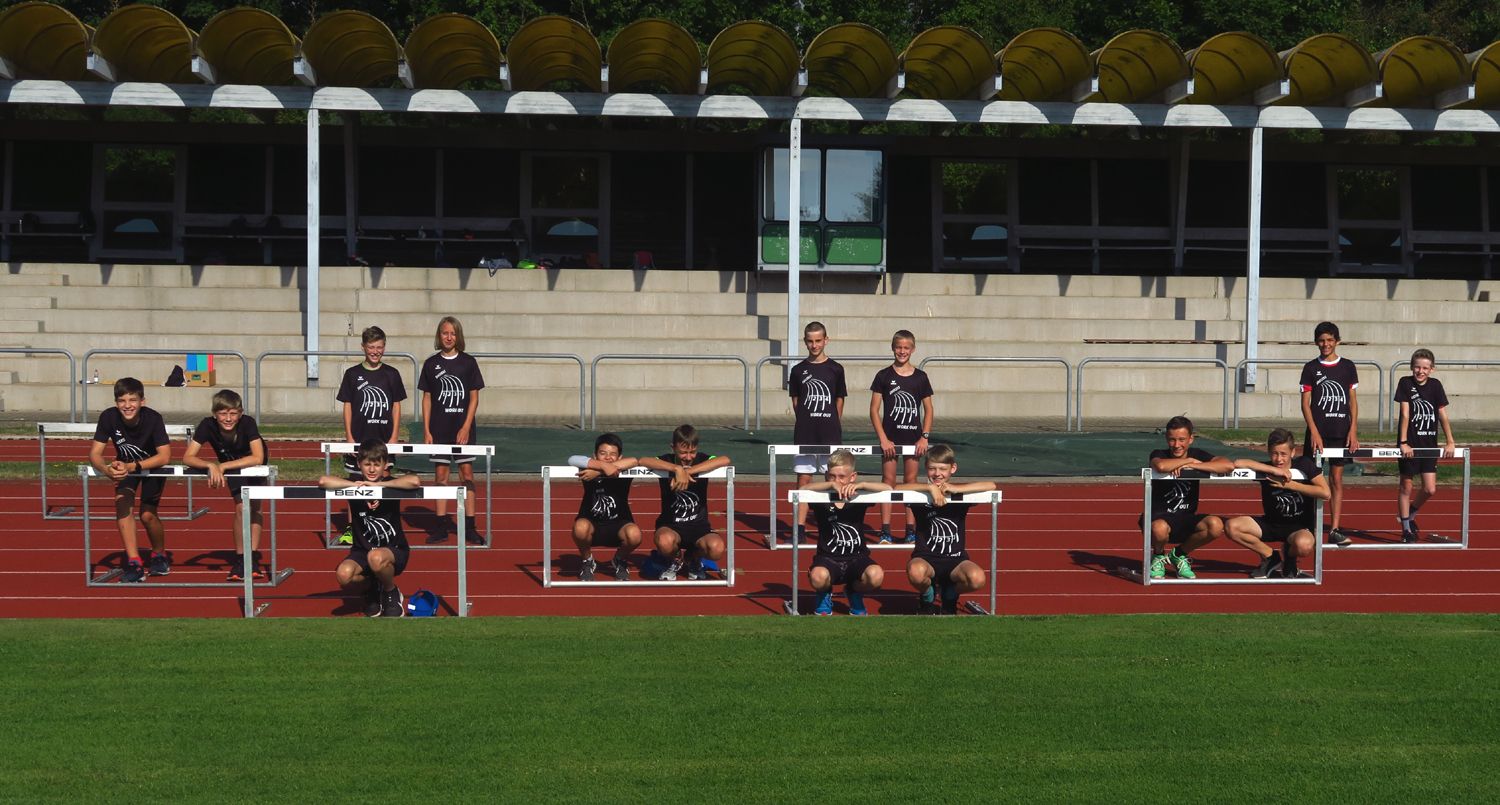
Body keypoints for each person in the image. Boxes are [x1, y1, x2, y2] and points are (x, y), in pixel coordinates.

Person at [319, 439, 420, 617]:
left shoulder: (390, 484)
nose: (372, 470)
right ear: (359, 464)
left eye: (376, 465)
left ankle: (390, 590)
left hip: (393, 550)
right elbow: (323, 481)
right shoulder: (354, 485)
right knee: (343, 574)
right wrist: (355, 486)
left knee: (376, 557)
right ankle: (372, 587)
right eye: (367, 464)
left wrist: (380, 486)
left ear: (385, 465)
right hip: (362, 551)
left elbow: (414, 481)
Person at [88, 377, 174, 583]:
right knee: (122, 503)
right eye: (122, 401)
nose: (127, 405)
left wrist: (133, 466)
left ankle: (159, 554)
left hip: (151, 468)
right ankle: (134, 562)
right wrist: (106, 469)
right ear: (116, 402)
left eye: (132, 400)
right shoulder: (108, 417)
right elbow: (95, 453)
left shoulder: (153, 418)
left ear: (142, 401)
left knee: (147, 515)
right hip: (125, 467)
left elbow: (165, 456)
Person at [182, 389, 268, 581]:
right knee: (241, 508)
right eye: (223, 413)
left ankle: (253, 556)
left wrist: (222, 466)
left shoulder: (248, 423)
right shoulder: (207, 425)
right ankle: (241, 558)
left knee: (255, 507)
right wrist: (210, 465)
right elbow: (188, 457)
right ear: (215, 414)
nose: (228, 419)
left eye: (233, 413)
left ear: (241, 413)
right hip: (231, 465)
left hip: (251, 464)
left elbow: (258, 457)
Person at [898, 444, 995, 614]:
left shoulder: (959, 494)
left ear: (953, 468)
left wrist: (957, 489)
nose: (937, 473)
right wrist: (929, 488)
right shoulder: (920, 495)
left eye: (943, 469)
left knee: (977, 578)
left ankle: (949, 595)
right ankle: (927, 596)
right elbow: (896, 488)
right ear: (926, 468)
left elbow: (991, 485)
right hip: (926, 558)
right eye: (932, 469)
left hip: (955, 560)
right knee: (915, 572)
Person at [1225, 429, 1331, 579]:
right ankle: (1270, 556)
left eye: (1283, 454)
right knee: (1231, 527)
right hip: (1270, 524)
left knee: (1304, 545)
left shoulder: (1304, 464)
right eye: (1275, 454)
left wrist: (1291, 485)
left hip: (1298, 527)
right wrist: (1273, 470)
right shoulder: (1267, 468)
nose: (1279, 459)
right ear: (1269, 453)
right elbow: (1238, 463)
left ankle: (1289, 556)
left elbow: (1326, 493)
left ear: (1293, 452)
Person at [335, 325, 406, 544]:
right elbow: (347, 405)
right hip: (359, 438)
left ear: (384, 347)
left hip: (384, 439)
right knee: (355, 483)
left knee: (383, 482)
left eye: (379, 347)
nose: (375, 351)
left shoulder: (392, 374)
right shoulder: (352, 374)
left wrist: (394, 436)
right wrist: (349, 436)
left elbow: (396, 406)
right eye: (371, 347)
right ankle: (352, 529)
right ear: (363, 347)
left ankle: (382, 526)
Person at [418, 316, 485, 544]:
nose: (449, 337)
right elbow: (427, 398)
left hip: (462, 429)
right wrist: (427, 430)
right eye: (445, 333)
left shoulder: (468, 363)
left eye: (453, 333)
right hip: (439, 429)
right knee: (441, 475)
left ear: (458, 336)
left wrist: (466, 426)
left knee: (467, 474)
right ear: (439, 335)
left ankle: (470, 526)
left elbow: (474, 398)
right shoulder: (431, 364)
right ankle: (440, 526)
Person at [1141, 416, 1233, 580]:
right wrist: (1188, 461)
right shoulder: (1159, 454)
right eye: (1172, 440)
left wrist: (1191, 465)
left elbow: (1227, 465)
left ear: (1191, 439)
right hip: (1158, 519)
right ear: (1166, 439)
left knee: (1215, 525)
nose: (1177, 445)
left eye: (1182, 440)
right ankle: (1158, 556)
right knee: (1159, 528)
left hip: (1186, 518)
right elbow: (1161, 466)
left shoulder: (1198, 454)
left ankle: (1179, 554)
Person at [636, 424, 731, 581]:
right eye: (683, 453)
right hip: (671, 526)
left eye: (692, 452)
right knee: (664, 542)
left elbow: (725, 459)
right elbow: (643, 460)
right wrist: (677, 469)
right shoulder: (666, 460)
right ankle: (674, 559)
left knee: (717, 549)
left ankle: (692, 558)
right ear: (673, 448)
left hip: (699, 527)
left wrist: (688, 471)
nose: (688, 457)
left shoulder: (701, 460)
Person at [801, 449, 889, 615]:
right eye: (832, 476)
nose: (837, 481)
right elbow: (803, 489)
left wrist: (862, 485)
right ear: (826, 476)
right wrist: (829, 486)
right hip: (828, 558)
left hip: (857, 557)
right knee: (818, 576)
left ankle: (853, 591)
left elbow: (888, 488)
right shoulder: (821, 497)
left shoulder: (859, 496)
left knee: (876, 575)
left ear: (852, 476)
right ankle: (824, 593)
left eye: (842, 477)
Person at [870, 329, 934, 544]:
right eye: (899, 347)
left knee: (910, 482)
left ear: (913, 349)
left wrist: (924, 437)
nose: (902, 351)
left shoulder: (920, 377)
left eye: (906, 348)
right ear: (892, 348)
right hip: (890, 439)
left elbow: (929, 409)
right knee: (888, 482)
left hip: (913, 439)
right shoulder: (883, 376)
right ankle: (885, 530)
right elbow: (874, 410)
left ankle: (910, 530)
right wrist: (883, 438)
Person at [1300, 321, 1358, 546]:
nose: (1326, 344)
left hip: (1340, 432)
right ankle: (1308, 525)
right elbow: (1305, 404)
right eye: (1322, 340)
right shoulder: (1310, 368)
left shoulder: (1348, 366)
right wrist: (1314, 432)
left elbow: (1352, 401)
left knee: (1336, 479)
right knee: (1312, 479)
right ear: (1317, 342)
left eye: (1330, 340)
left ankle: (1334, 528)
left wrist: (1353, 430)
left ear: (1337, 341)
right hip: (1318, 433)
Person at [790, 321, 846, 536]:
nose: (814, 345)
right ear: (805, 342)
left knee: (832, 480)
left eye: (818, 341)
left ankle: (830, 525)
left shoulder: (836, 369)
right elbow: (796, 401)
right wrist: (807, 420)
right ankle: (800, 527)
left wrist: (832, 421)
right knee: (804, 480)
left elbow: (839, 399)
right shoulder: (798, 370)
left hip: (830, 434)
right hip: (805, 434)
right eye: (810, 341)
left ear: (826, 340)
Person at [1395, 348, 1456, 543]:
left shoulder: (1436, 386)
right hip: (1410, 444)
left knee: (1430, 489)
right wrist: (1403, 442)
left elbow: (1442, 415)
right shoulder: (1405, 383)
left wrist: (1450, 441)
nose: (1420, 371)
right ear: (1412, 367)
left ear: (1432, 369)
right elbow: (1405, 414)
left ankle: (1411, 513)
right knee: (1406, 486)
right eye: (1417, 367)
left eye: (1425, 368)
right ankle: (1406, 530)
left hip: (1429, 444)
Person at [569, 433, 641, 581]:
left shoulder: (623, 471)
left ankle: (619, 559)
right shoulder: (588, 470)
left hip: (619, 524)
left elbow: (635, 461)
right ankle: (587, 561)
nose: (608, 457)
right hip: (592, 523)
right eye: (603, 454)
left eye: (613, 454)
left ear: (620, 457)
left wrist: (600, 470)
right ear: (594, 455)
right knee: (579, 528)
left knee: (635, 535)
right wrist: (602, 466)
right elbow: (572, 459)